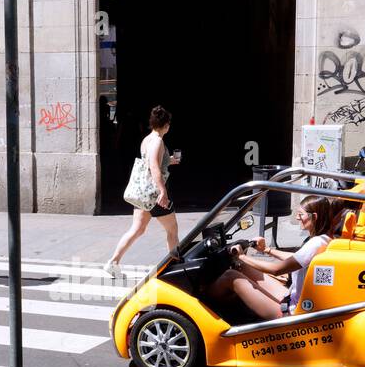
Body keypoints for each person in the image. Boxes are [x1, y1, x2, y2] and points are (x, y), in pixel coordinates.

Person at [211, 195, 348, 320]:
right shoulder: (324, 239)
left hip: (291, 312)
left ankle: (207, 308)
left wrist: (242, 256)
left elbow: (276, 270)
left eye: (301, 214)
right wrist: (267, 250)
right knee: (242, 268)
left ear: (315, 217)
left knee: (231, 276)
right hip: (293, 298)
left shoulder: (315, 243)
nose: (297, 218)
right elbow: (297, 258)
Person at [104, 105, 180, 277]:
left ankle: (113, 262)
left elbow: (152, 161)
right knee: (172, 230)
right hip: (154, 194)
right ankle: (175, 266)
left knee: (137, 229)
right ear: (166, 125)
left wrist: (169, 161)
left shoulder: (147, 139)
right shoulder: (158, 141)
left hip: (143, 193)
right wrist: (163, 192)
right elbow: (153, 166)